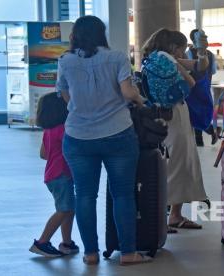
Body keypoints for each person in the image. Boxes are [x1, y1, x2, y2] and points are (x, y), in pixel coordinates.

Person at [57, 16, 151, 266]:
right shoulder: (117, 57)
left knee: (85, 195)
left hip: (78, 136)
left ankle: (90, 254)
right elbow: (127, 92)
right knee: (122, 195)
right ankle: (129, 253)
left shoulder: (65, 60)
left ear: (76, 34)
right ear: (102, 33)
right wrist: (142, 102)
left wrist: (81, 109)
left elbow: (64, 93)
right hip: (118, 133)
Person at [142, 29, 208, 230]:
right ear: (173, 47)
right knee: (178, 163)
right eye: (181, 49)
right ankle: (167, 216)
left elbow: (198, 66)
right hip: (175, 114)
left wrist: (199, 53)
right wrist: (197, 55)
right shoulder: (168, 60)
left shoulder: (152, 59)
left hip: (161, 114)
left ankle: (172, 216)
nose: (182, 53)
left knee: (173, 161)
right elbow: (193, 80)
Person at [29, 92, 79, 258]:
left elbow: (43, 154)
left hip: (52, 175)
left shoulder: (49, 131)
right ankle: (42, 242)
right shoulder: (65, 129)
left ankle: (67, 243)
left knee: (68, 209)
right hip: (62, 175)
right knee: (64, 209)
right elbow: (72, 149)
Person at [187, 29, 218, 146]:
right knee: (200, 112)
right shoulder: (210, 54)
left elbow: (189, 69)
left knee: (196, 112)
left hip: (194, 87)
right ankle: (203, 137)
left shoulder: (188, 52)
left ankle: (202, 138)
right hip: (205, 86)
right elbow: (213, 71)